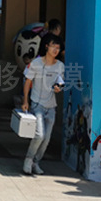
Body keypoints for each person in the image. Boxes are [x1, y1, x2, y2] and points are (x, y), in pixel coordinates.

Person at [22, 34, 64, 175]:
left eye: (58, 47)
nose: (55, 50)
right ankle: (28, 159)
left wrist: (59, 88)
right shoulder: (36, 63)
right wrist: (25, 101)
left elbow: (61, 82)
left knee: (46, 139)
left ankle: (36, 162)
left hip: (51, 106)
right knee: (39, 135)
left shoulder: (60, 66)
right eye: (53, 46)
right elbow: (28, 82)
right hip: (37, 104)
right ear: (46, 46)